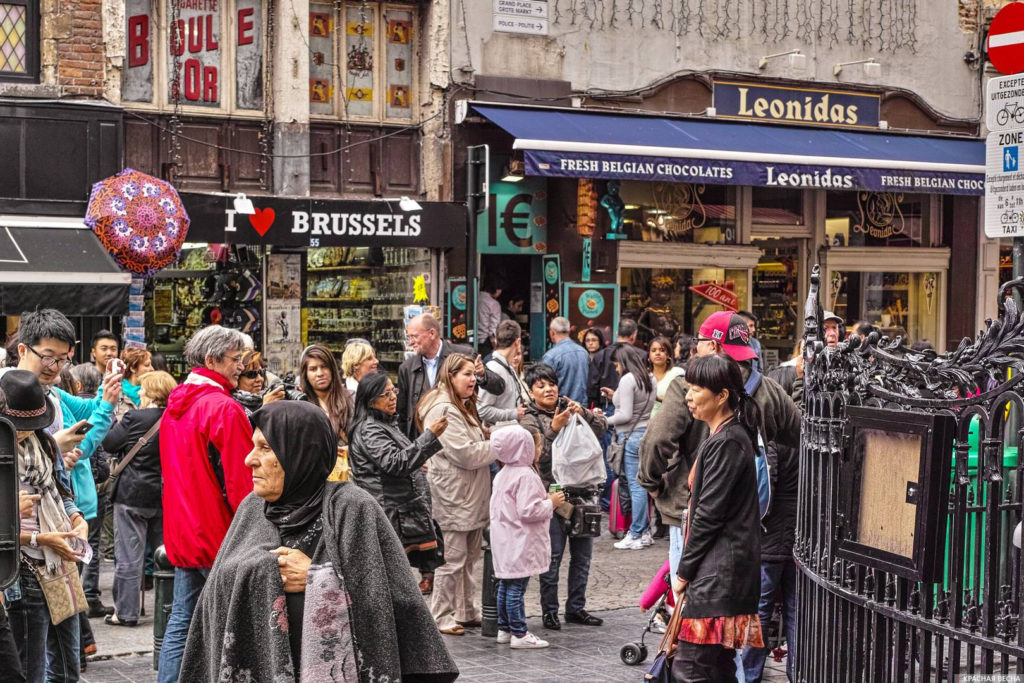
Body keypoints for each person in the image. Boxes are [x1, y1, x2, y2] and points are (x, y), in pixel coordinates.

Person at [180, 401, 459, 682]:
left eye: (265, 448)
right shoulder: (252, 508)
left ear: (299, 452)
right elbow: (213, 602)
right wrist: (265, 570)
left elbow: (396, 605)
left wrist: (319, 578)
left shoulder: (353, 508)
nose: (249, 459)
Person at [639, 311, 800, 585]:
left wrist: (651, 483)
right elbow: (801, 438)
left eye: (699, 341)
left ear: (712, 346)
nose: (695, 347)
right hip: (749, 512)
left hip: (690, 507)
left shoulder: (687, 387)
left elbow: (655, 440)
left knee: (689, 589)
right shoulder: (769, 390)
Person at [157, 325, 254, 683]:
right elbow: (244, 482)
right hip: (219, 533)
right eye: (236, 359)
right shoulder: (222, 409)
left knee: (181, 621)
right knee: (230, 627)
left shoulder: (176, 406)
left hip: (184, 529)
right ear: (212, 360)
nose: (241, 366)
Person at [672, 353, 764, 681]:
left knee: (691, 669)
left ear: (721, 395)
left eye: (696, 389)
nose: (689, 396)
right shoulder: (723, 436)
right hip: (721, 572)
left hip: (718, 575)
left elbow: (709, 516)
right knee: (717, 669)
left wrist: (683, 573)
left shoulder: (728, 441)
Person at [4, 369, 91, 683]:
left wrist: (77, 519)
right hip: (23, 565)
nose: (24, 433)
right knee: (30, 669)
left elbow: (61, 490)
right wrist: (38, 536)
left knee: (69, 664)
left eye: (30, 426)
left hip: (59, 559)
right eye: (17, 427)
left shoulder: (46, 445)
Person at [519, 363, 608, 631]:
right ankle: (549, 611)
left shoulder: (570, 405)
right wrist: (554, 429)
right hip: (553, 495)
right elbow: (535, 458)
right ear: (531, 390)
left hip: (584, 493)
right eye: (540, 385)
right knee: (552, 556)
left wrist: (586, 415)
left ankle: (576, 608)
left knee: (583, 556)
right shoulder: (528, 419)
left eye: (551, 384)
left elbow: (602, 428)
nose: (548, 389)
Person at [347, 371, 448, 592]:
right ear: (371, 400)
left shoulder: (385, 423)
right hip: (388, 512)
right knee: (389, 580)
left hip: (400, 511)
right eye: (386, 394)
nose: (393, 397)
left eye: (394, 391)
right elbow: (395, 463)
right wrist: (430, 436)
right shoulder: (370, 429)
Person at [416, 353, 494, 635]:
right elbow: (465, 454)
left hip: (469, 495)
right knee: (451, 560)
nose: (473, 379)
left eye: (474, 374)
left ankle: (465, 610)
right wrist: (499, 445)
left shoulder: (460, 405)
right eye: (467, 374)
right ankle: (442, 614)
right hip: (454, 496)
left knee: (469, 558)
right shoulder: (443, 409)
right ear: (451, 376)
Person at [101, 371, 176, 627]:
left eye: (143, 389)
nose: (140, 393)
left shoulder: (135, 417)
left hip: (132, 494)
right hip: (163, 496)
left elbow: (110, 443)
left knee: (129, 557)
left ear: (152, 391)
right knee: (167, 557)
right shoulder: (175, 418)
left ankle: (126, 613)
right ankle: (172, 612)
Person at [489, 425, 564, 649]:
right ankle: (519, 633)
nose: (538, 449)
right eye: (536, 445)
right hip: (520, 541)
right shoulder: (525, 476)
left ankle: (504, 628)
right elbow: (529, 511)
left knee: (506, 584)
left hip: (505, 539)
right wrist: (552, 502)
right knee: (516, 588)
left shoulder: (503, 474)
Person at [398, 313, 503, 439]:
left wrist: (482, 374)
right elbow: (402, 414)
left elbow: (499, 387)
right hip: (422, 441)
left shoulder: (464, 355)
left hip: (459, 436)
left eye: (414, 336)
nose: (410, 343)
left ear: (432, 333)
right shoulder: (406, 368)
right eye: (408, 337)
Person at [605, 345, 656, 550]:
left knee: (636, 486)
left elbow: (625, 415)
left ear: (623, 362)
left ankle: (635, 533)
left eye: (617, 364)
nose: (616, 369)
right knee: (641, 484)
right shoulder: (649, 378)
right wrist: (613, 396)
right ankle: (644, 532)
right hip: (644, 433)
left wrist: (603, 419)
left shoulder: (628, 380)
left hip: (630, 436)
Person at [298, 344, 354, 445]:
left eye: (324, 367)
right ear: (305, 374)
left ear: (332, 369)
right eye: (313, 369)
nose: (320, 373)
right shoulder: (301, 405)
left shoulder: (352, 399)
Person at [477, 320, 528, 426]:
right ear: (517, 342)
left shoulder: (507, 365)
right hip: (500, 436)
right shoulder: (494, 368)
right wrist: (513, 413)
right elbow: (483, 410)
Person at [588, 318, 643, 413]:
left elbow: (592, 386)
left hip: (607, 405)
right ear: (634, 335)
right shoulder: (641, 355)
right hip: (635, 406)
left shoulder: (601, 355)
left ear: (617, 333)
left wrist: (594, 406)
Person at [541, 316, 590, 406]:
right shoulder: (583, 352)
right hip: (581, 408)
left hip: (560, 409)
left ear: (552, 332)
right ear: (569, 331)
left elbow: (542, 386)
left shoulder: (551, 356)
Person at [649, 335, 684, 418]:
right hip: (645, 425)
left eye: (662, 350)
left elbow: (682, 400)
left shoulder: (677, 373)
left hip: (670, 422)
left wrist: (658, 398)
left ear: (668, 354)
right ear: (649, 356)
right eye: (653, 350)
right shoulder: (645, 376)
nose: (657, 353)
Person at [582, 327, 606, 407]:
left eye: (594, 340)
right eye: (587, 340)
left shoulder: (605, 357)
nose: (590, 343)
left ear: (600, 341)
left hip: (601, 401)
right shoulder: (583, 357)